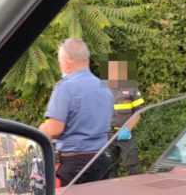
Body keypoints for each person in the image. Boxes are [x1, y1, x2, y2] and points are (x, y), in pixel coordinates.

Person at [38, 38, 113, 185]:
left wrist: (42, 129)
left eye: (60, 61)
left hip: (75, 164)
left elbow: (54, 130)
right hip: (101, 159)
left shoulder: (64, 88)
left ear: (67, 60)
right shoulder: (105, 87)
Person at [105, 56, 144, 176]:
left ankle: (138, 185)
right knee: (109, 168)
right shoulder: (102, 89)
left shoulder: (131, 88)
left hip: (126, 134)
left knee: (133, 165)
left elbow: (139, 111)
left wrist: (127, 129)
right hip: (107, 135)